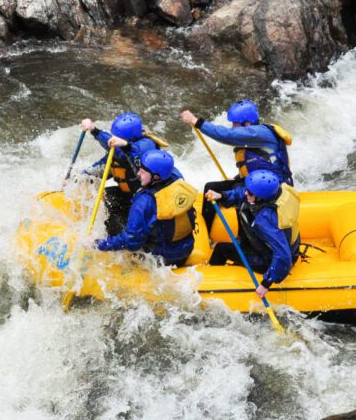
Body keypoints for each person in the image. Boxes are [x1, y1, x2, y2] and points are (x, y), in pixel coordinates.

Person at [180, 100, 293, 232]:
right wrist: (239, 176)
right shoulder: (253, 134)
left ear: (248, 123)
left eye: (235, 123)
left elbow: (228, 135)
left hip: (273, 186)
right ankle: (206, 232)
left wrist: (196, 122)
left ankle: (240, 234)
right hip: (257, 180)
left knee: (236, 192)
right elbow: (257, 163)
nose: (233, 126)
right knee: (210, 187)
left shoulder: (260, 133)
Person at [93, 149, 197, 268]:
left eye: (143, 172)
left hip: (161, 260)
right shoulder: (176, 178)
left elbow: (131, 241)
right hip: (185, 250)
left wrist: (99, 244)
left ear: (156, 177)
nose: (138, 174)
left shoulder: (144, 202)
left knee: (116, 225)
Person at [205, 169, 301, 297]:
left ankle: (210, 284)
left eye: (250, 192)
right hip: (282, 245)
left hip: (269, 260)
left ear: (260, 197)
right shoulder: (276, 192)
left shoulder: (266, 221)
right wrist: (223, 196)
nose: (246, 193)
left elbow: (283, 256)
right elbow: (242, 193)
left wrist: (266, 283)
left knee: (221, 249)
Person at [80, 112, 167, 234]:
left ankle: (124, 238)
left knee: (118, 225)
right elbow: (102, 167)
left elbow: (128, 152)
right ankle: (110, 229)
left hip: (147, 200)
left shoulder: (146, 147)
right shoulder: (116, 152)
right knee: (105, 196)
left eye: (117, 139)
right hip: (128, 196)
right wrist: (81, 177)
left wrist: (95, 131)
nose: (113, 141)